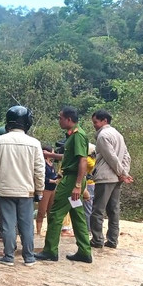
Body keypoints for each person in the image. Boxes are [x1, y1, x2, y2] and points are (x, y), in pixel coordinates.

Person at [0, 106, 45, 267]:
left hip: (5, 190)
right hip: (26, 191)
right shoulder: (34, 143)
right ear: (27, 123)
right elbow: (39, 170)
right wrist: (39, 190)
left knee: (8, 225)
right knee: (27, 225)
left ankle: (8, 257)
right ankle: (29, 257)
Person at [36, 106, 92, 263]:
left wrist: (77, 185)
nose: (59, 120)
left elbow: (82, 160)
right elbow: (69, 157)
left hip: (71, 181)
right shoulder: (72, 136)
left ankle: (50, 251)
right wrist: (50, 155)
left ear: (68, 119)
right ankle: (84, 251)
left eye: (60, 118)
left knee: (55, 213)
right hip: (73, 180)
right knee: (77, 214)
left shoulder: (78, 136)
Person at [90, 109, 133, 249]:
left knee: (97, 210)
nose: (94, 125)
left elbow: (111, 157)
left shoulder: (103, 136)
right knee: (113, 210)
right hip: (116, 178)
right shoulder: (118, 135)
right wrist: (123, 173)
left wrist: (122, 173)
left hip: (105, 177)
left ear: (104, 121)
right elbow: (126, 156)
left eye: (95, 122)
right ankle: (112, 240)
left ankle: (97, 239)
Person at [35, 145, 59, 237]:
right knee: (42, 210)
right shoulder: (42, 164)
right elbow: (41, 177)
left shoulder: (51, 164)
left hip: (52, 189)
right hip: (45, 189)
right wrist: (52, 181)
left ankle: (50, 230)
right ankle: (38, 231)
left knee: (51, 210)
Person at [83, 143, 96, 230]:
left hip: (88, 185)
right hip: (93, 184)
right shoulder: (94, 160)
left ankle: (88, 228)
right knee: (90, 207)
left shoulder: (87, 160)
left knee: (87, 208)